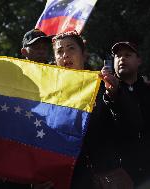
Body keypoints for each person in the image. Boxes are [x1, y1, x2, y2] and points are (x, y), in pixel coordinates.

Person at [51, 31, 115, 189]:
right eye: (59, 51)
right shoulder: (47, 93)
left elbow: (123, 129)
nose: (65, 55)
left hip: (101, 178)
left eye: (71, 48)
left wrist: (114, 95)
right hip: (61, 179)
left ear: (84, 54)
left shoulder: (102, 86)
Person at [100, 42, 150, 187]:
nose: (122, 59)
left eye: (127, 55)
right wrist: (112, 95)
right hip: (118, 175)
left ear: (139, 60)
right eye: (118, 56)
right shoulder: (100, 92)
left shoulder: (147, 91)